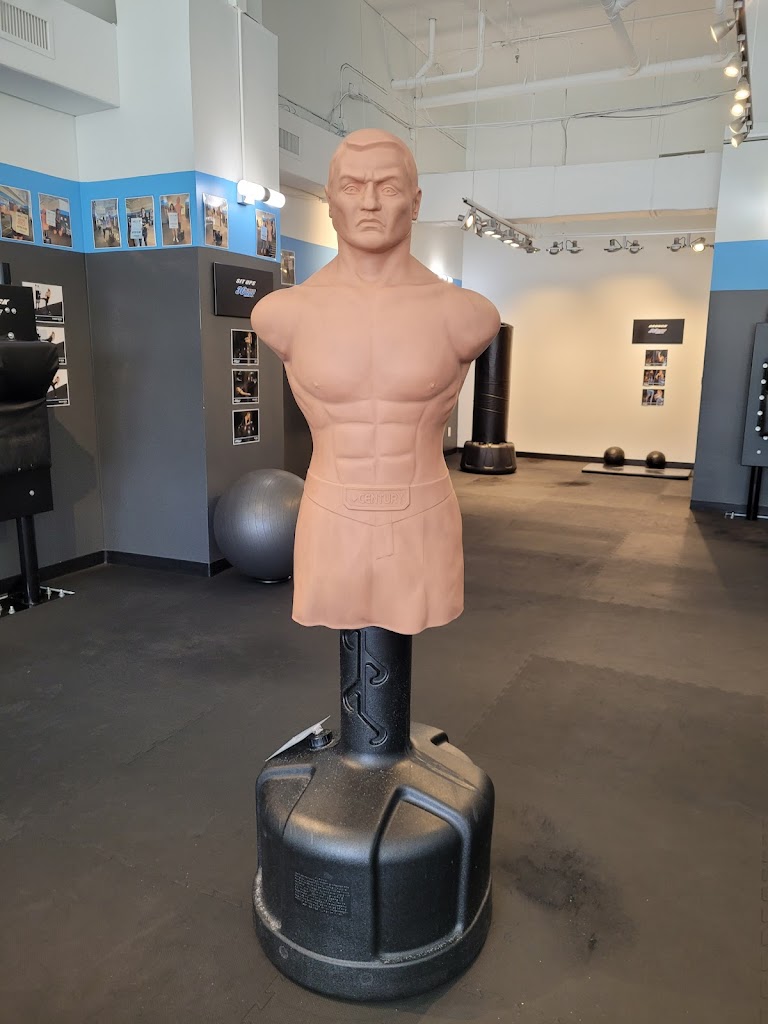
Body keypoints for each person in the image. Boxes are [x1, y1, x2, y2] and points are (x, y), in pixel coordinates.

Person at [251, 128, 500, 635]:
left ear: (415, 202)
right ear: (330, 201)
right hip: (329, 517)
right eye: (351, 186)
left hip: (423, 518)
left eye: (387, 187)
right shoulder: (283, 314)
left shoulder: (465, 314)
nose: (368, 202)